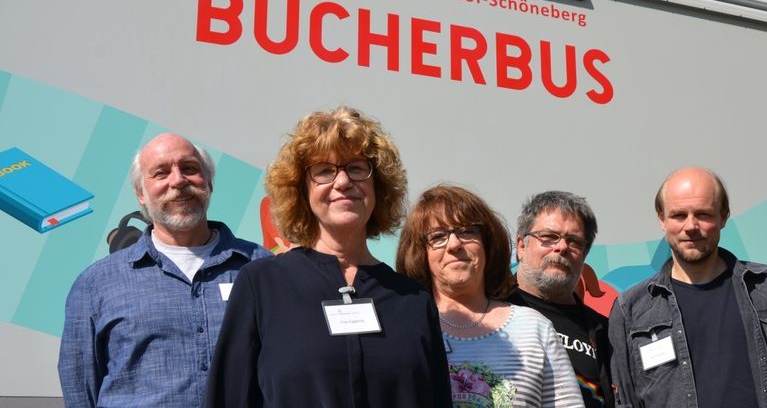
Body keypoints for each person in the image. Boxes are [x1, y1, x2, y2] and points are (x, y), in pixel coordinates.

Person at [205, 107, 451, 407]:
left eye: (357, 168)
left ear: (379, 186)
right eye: (324, 171)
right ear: (301, 191)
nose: (343, 181)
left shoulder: (412, 300)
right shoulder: (262, 285)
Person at [608, 167, 767, 407]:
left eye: (703, 214)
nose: (690, 226)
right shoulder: (631, 309)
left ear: (724, 216)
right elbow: (625, 402)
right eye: (678, 215)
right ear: (661, 219)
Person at [58, 133, 271, 407]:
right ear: (141, 195)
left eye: (190, 169)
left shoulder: (260, 266)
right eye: (161, 173)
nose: (178, 181)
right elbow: (80, 387)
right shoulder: (96, 284)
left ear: (209, 183)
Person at [396, 185, 585, 407]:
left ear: (487, 244)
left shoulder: (534, 328)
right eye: (438, 236)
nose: (455, 244)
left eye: (467, 232)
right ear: (420, 253)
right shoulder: (405, 329)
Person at [509, 191, 612, 407]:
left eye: (574, 241)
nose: (561, 247)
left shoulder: (606, 332)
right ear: (521, 245)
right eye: (548, 237)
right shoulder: (487, 313)